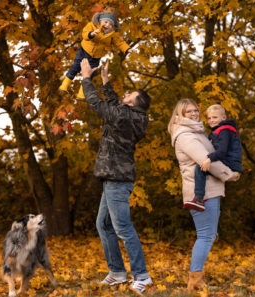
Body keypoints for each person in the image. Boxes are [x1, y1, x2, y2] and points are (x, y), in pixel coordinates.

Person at [80, 58, 152, 294]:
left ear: (135, 102)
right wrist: (105, 81)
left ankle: (142, 276)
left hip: (117, 180)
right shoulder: (130, 116)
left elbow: (99, 106)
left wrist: (85, 79)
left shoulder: (125, 117)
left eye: (130, 93)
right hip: (113, 178)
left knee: (121, 227)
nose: (126, 93)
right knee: (103, 224)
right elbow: (114, 106)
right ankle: (118, 272)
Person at [167, 99, 239, 293]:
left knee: (209, 235)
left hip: (210, 189)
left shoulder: (196, 132)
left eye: (195, 110)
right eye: (188, 111)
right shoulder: (186, 135)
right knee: (206, 236)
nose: (193, 114)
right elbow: (206, 161)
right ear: (180, 115)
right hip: (202, 192)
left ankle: (196, 276)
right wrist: (230, 175)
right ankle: (194, 279)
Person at [60, 7, 138, 98]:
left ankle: (81, 93)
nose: (107, 25)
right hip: (84, 51)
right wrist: (92, 34)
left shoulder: (112, 35)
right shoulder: (92, 25)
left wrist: (128, 49)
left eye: (110, 24)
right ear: (100, 21)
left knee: (90, 74)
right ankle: (64, 85)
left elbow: (120, 43)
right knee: (75, 67)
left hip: (96, 57)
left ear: (112, 27)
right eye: (105, 22)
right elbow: (84, 34)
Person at [184, 104, 243, 211]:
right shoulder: (218, 130)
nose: (211, 120)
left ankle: (198, 199)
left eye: (215, 117)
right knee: (200, 168)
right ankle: (199, 198)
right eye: (209, 118)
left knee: (200, 168)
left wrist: (209, 159)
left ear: (224, 117)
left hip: (230, 162)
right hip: (227, 159)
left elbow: (222, 151)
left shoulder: (225, 131)